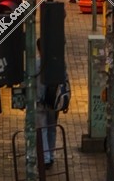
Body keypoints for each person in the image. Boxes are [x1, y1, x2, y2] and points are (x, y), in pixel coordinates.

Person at [36, 39, 70, 168]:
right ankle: (50, 155)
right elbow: (65, 79)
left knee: (42, 129)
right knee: (52, 129)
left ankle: (45, 158)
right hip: (55, 102)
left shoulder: (35, 64)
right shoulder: (58, 63)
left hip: (39, 101)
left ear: (39, 49)